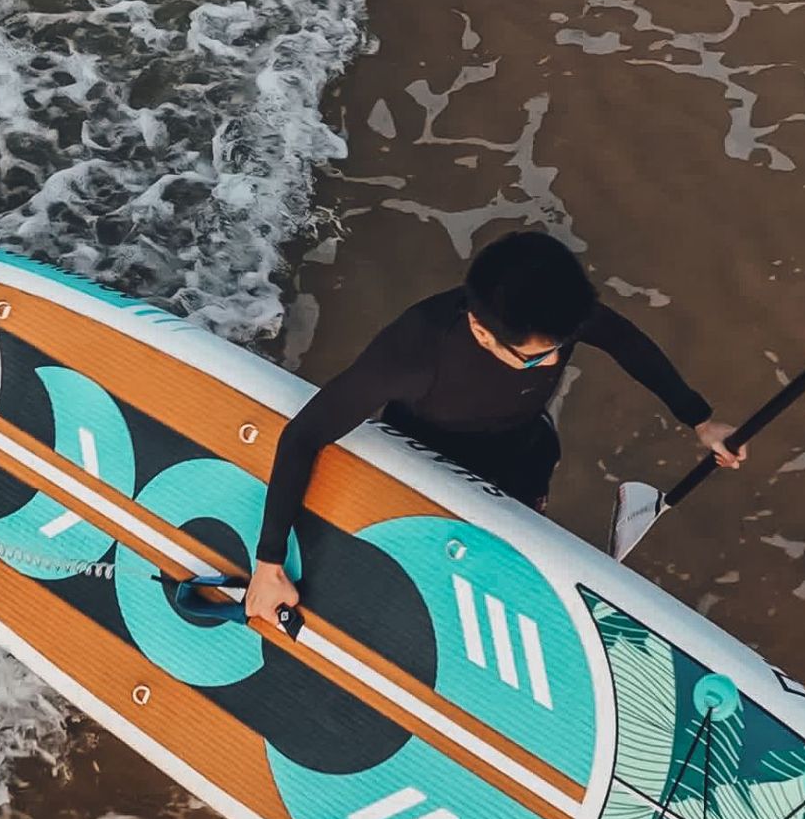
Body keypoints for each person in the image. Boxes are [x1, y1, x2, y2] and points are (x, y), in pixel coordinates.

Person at [246, 231, 742, 625]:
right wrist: (269, 563)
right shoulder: (413, 352)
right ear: (481, 332)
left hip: (522, 453)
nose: (553, 363)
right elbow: (305, 434)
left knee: (508, 562)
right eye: (536, 359)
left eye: (561, 349)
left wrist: (699, 419)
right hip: (426, 458)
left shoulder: (556, 310)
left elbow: (627, 343)